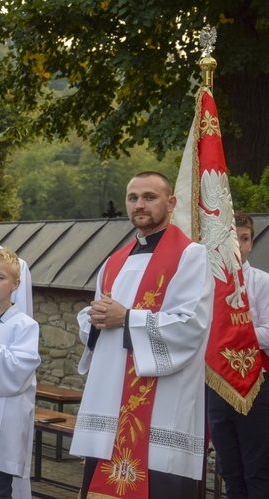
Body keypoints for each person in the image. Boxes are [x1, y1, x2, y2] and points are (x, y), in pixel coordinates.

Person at [71, 172, 214, 499]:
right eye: (133, 197)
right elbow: (100, 314)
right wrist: (93, 319)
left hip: (160, 405)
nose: (139, 204)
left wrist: (128, 318)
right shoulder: (114, 261)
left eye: (149, 197)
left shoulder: (190, 255)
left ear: (171, 202)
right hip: (110, 404)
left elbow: (190, 326)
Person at [207, 211, 269, 499]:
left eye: (244, 239)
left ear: (251, 243)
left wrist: (234, 336)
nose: (238, 246)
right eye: (232, 239)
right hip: (218, 383)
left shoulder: (263, 282)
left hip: (256, 384)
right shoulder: (210, 285)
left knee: (256, 468)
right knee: (229, 468)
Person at [0, 249, 41, 499]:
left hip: (5, 422)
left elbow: (15, 374)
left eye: (0, 277)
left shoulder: (25, 326)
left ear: (16, 284)